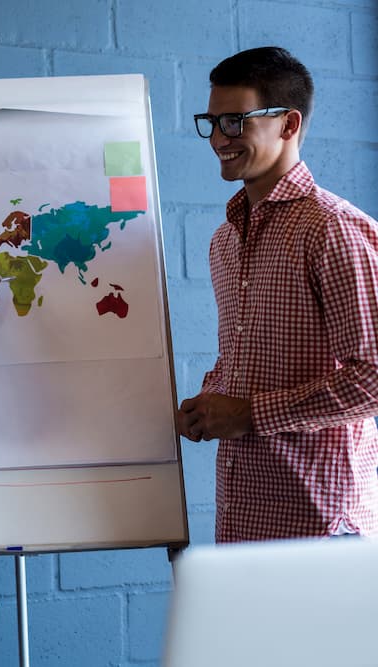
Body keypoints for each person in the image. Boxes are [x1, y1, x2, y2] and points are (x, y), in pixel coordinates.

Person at [177, 46, 378, 542]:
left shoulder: (333, 229)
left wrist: (249, 414)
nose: (219, 138)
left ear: (288, 124)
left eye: (235, 121)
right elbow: (246, 356)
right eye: (212, 122)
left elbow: (374, 377)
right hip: (242, 518)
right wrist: (211, 401)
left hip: (321, 526)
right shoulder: (225, 239)